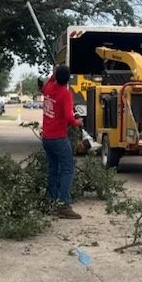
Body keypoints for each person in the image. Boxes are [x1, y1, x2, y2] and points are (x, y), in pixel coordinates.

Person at [41, 64, 83, 219]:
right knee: (67, 169)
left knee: (53, 168)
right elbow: (68, 117)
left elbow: (48, 82)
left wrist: (54, 73)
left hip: (47, 138)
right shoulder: (65, 94)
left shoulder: (48, 88)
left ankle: (51, 199)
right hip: (59, 138)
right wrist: (78, 122)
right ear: (68, 79)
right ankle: (64, 204)